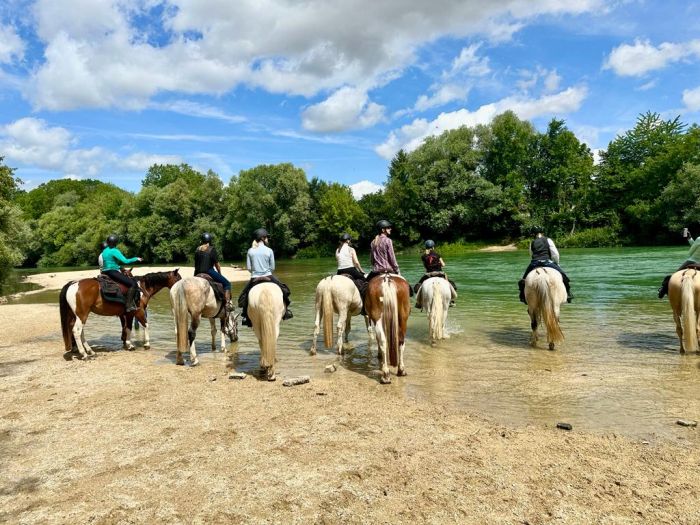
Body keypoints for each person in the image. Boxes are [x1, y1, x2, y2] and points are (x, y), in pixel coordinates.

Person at [237, 228, 292, 327]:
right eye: (267, 237)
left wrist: (256, 271)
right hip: (269, 276)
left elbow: (249, 268)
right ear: (262, 238)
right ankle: (287, 311)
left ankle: (245, 316)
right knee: (285, 290)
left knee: (244, 296)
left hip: (254, 278)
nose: (268, 239)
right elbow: (272, 267)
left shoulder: (250, 251)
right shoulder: (269, 250)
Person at [518, 227, 573, 304]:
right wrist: (557, 263)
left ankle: (523, 297)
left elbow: (531, 255)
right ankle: (568, 294)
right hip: (547, 262)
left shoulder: (532, 242)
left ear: (533, 234)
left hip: (535, 262)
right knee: (564, 277)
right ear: (542, 233)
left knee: (523, 280)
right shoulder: (548, 240)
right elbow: (555, 254)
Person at [100, 234, 143, 312]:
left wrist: (119, 267)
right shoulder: (114, 250)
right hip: (112, 272)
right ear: (116, 242)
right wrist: (136, 258)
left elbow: (110, 262)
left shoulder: (105, 251)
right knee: (133, 284)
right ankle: (128, 306)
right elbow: (125, 261)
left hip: (104, 272)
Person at [195, 232, 233, 311]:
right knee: (227, 284)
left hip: (197, 272)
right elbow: (217, 265)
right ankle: (227, 304)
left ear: (201, 241)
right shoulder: (211, 249)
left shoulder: (197, 249)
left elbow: (196, 264)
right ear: (209, 241)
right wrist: (219, 273)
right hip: (209, 271)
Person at [658, 227, 700, 298]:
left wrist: (689, 238)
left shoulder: (699, 239)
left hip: (693, 261)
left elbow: (691, 252)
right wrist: (690, 239)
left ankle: (663, 290)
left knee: (673, 276)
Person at [413, 240, 457, 308]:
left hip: (428, 274)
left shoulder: (424, 256)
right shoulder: (437, 254)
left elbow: (425, 266)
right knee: (450, 284)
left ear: (426, 247)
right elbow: (443, 264)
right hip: (440, 273)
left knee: (419, 286)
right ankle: (451, 301)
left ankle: (419, 303)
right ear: (433, 247)